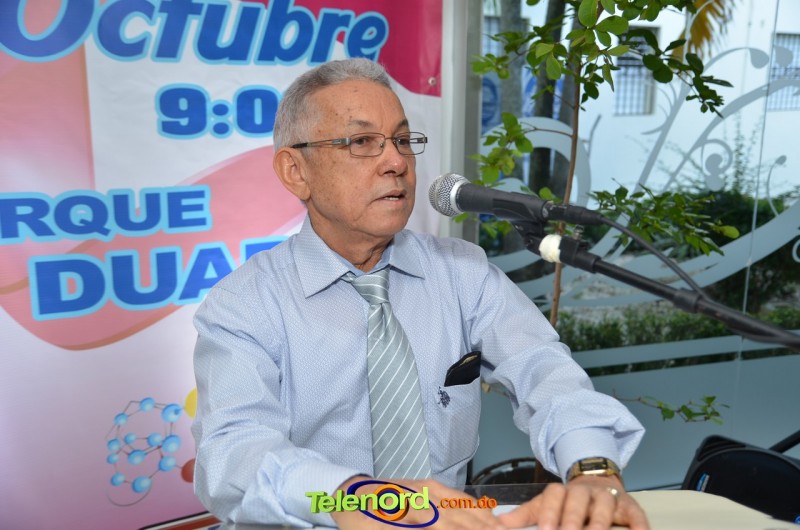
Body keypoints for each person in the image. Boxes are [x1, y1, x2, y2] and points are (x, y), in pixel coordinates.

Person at [191, 58, 649, 530]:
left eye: (403, 140)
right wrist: (355, 497)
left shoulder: (462, 272)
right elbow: (234, 454)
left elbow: (544, 370)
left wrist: (594, 469)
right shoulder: (244, 304)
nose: (396, 162)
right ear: (295, 171)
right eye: (362, 142)